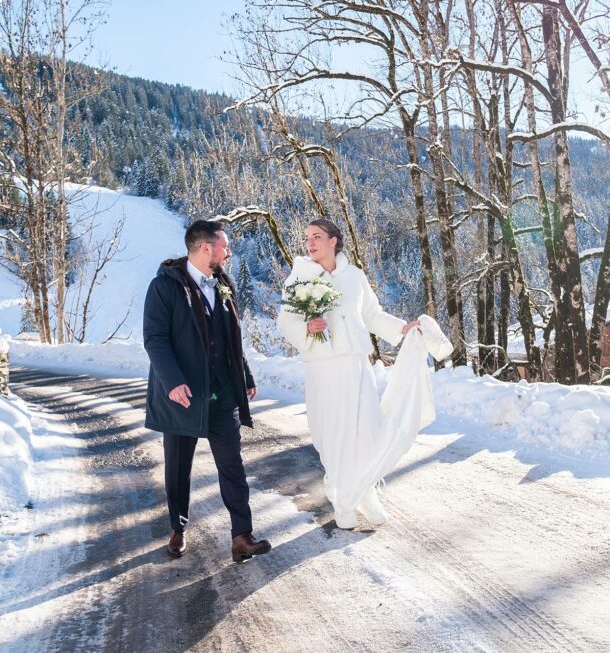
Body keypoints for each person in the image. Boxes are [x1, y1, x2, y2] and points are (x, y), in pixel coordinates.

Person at [277, 219, 422, 529]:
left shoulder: (355, 276)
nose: (310, 243)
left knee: (367, 430)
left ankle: (366, 491)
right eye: (307, 238)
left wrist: (401, 329)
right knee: (334, 433)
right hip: (324, 367)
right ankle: (343, 499)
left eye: (317, 236)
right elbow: (285, 322)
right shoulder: (299, 277)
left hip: (357, 365)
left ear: (334, 241)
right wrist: (307, 328)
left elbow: (371, 315)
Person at [143, 220, 271, 562]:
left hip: (222, 394)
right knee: (178, 468)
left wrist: (244, 374)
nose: (228, 253)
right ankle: (178, 529)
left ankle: (242, 536)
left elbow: (233, 338)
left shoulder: (223, 283)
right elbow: (154, 339)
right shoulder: (164, 287)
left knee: (232, 466)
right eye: (224, 247)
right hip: (182, 396)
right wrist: (172, 382)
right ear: (204, 248)